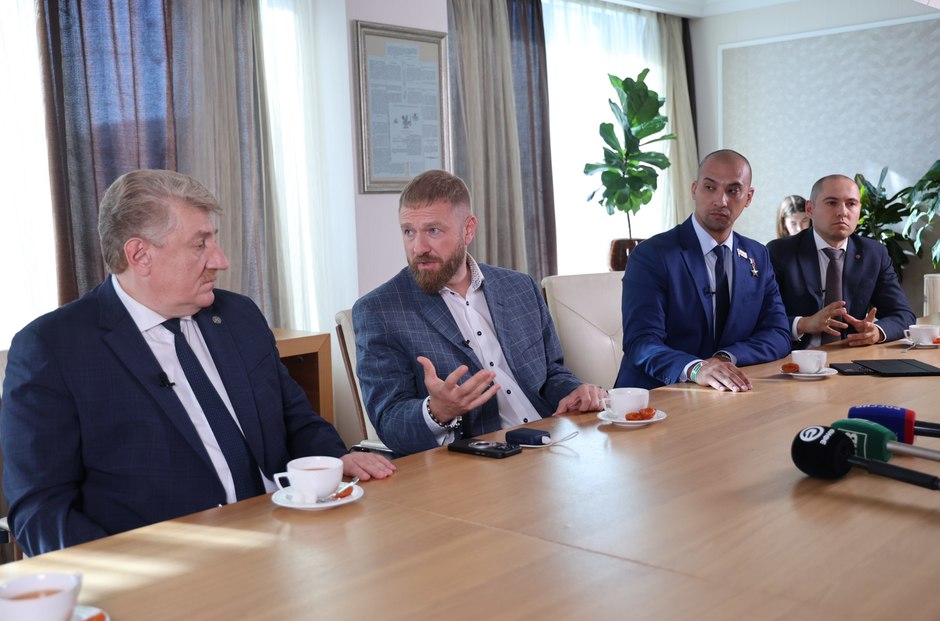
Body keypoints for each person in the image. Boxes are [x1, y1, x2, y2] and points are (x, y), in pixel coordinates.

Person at [0, 169, 395, 557]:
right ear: (140, 255)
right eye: (199, 245)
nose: (220, 260)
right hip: (169, 566)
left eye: (213, 240)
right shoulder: (53, 348)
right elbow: (41, 510)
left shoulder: (239, 316)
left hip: (288, 538)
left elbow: (296, 421)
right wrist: (120, 576)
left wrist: (334, 459)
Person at [353, 169, 604, 456]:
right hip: (479, 459)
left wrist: (575, 391)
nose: (418, 247)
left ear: (468, 229)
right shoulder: (379, 311)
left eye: (433, 231)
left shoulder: (520, 287)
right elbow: (389, 421)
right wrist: (437, 411)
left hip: (555, 441)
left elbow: (551, 373)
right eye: (409, 231)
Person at [615, 149, 791, 392]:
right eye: (710, 187)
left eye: (733, 190)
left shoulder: (757, 255)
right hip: (655, 395)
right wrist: (696, 368)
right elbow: (641, 342)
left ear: (749, 197)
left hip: (726, 393)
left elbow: (778, 333)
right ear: (694, 189)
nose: (721, 200)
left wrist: (725, 357)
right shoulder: (651, 255)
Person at [767, 174, 915, 348]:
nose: (843, 212)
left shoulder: (874, 254)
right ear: (810, 209)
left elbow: (903, 315)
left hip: (851, 354)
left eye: (851, 204)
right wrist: (803, 324)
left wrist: (876, 331)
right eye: (831, 203)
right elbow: (760, 317)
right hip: (795, 357)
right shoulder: (780, 252)